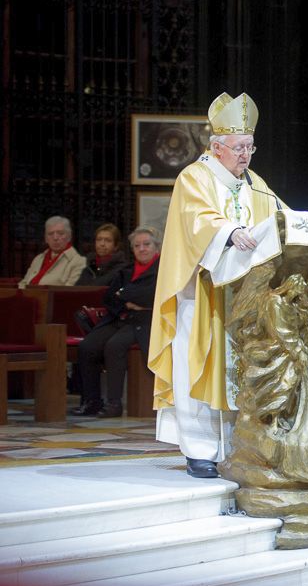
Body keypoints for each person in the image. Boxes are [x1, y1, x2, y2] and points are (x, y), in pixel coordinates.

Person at [149, 92, 283, 479]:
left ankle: (238, 445)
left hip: (244, 296)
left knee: (240, 368)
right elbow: (196, 218)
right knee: (199, 364)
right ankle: (201, 451)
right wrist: (229, 232)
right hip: (203, 292)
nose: (246, 155)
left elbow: (280, 214)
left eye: (250, 147)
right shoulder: (195, 177)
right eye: (239, 147)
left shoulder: (254, 182)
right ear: (216, 146)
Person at [73, 227, 161, 417]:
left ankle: (114, 404)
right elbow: (109, 297)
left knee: (114, 345)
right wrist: (127, 302)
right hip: (119, 316)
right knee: (87, 346)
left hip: (145, 321)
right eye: (137, 245)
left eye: (147, 244)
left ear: (156, 247)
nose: (142, 249)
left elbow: (151, 296)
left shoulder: (163, 269)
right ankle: (91, 401)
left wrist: (125, 294)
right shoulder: (126, 270)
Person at [18, 216, 87, 288]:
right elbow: (24, 282)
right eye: (50, 234)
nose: (55, 238)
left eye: (60, 233)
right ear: (46, 238)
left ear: (69, 236)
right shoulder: (38, 259)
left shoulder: (79, 262)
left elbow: (69, 292)